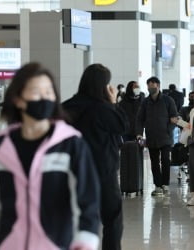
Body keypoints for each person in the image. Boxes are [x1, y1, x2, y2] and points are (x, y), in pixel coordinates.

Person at [0, 63, 100, 250]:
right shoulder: (2, 147)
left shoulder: (71, 145)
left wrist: (85, 242)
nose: (44, 98)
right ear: (18, 99)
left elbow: (87, 203)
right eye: (36, 92)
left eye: (49, 92)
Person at [63, 64, 128, 250]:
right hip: (104, 171)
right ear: (104, 86)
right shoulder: (104, 109)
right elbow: (123, 125)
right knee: (112, 219)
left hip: (73, 171)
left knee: (74, 218)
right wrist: (114, 102)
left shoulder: (67, 107)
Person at [136, 76, 178, 196]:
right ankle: (158, 185)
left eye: (152, 85)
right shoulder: (145, 102)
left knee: (165, 160)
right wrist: (139, 134)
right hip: (151, 137)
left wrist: (168, 130)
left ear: (158, 86)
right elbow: (140, 119)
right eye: (148, 85)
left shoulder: (168, 100)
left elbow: (174, 117)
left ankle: (165, 184)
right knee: (154, 162)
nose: (150, 88)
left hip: (165, 137)